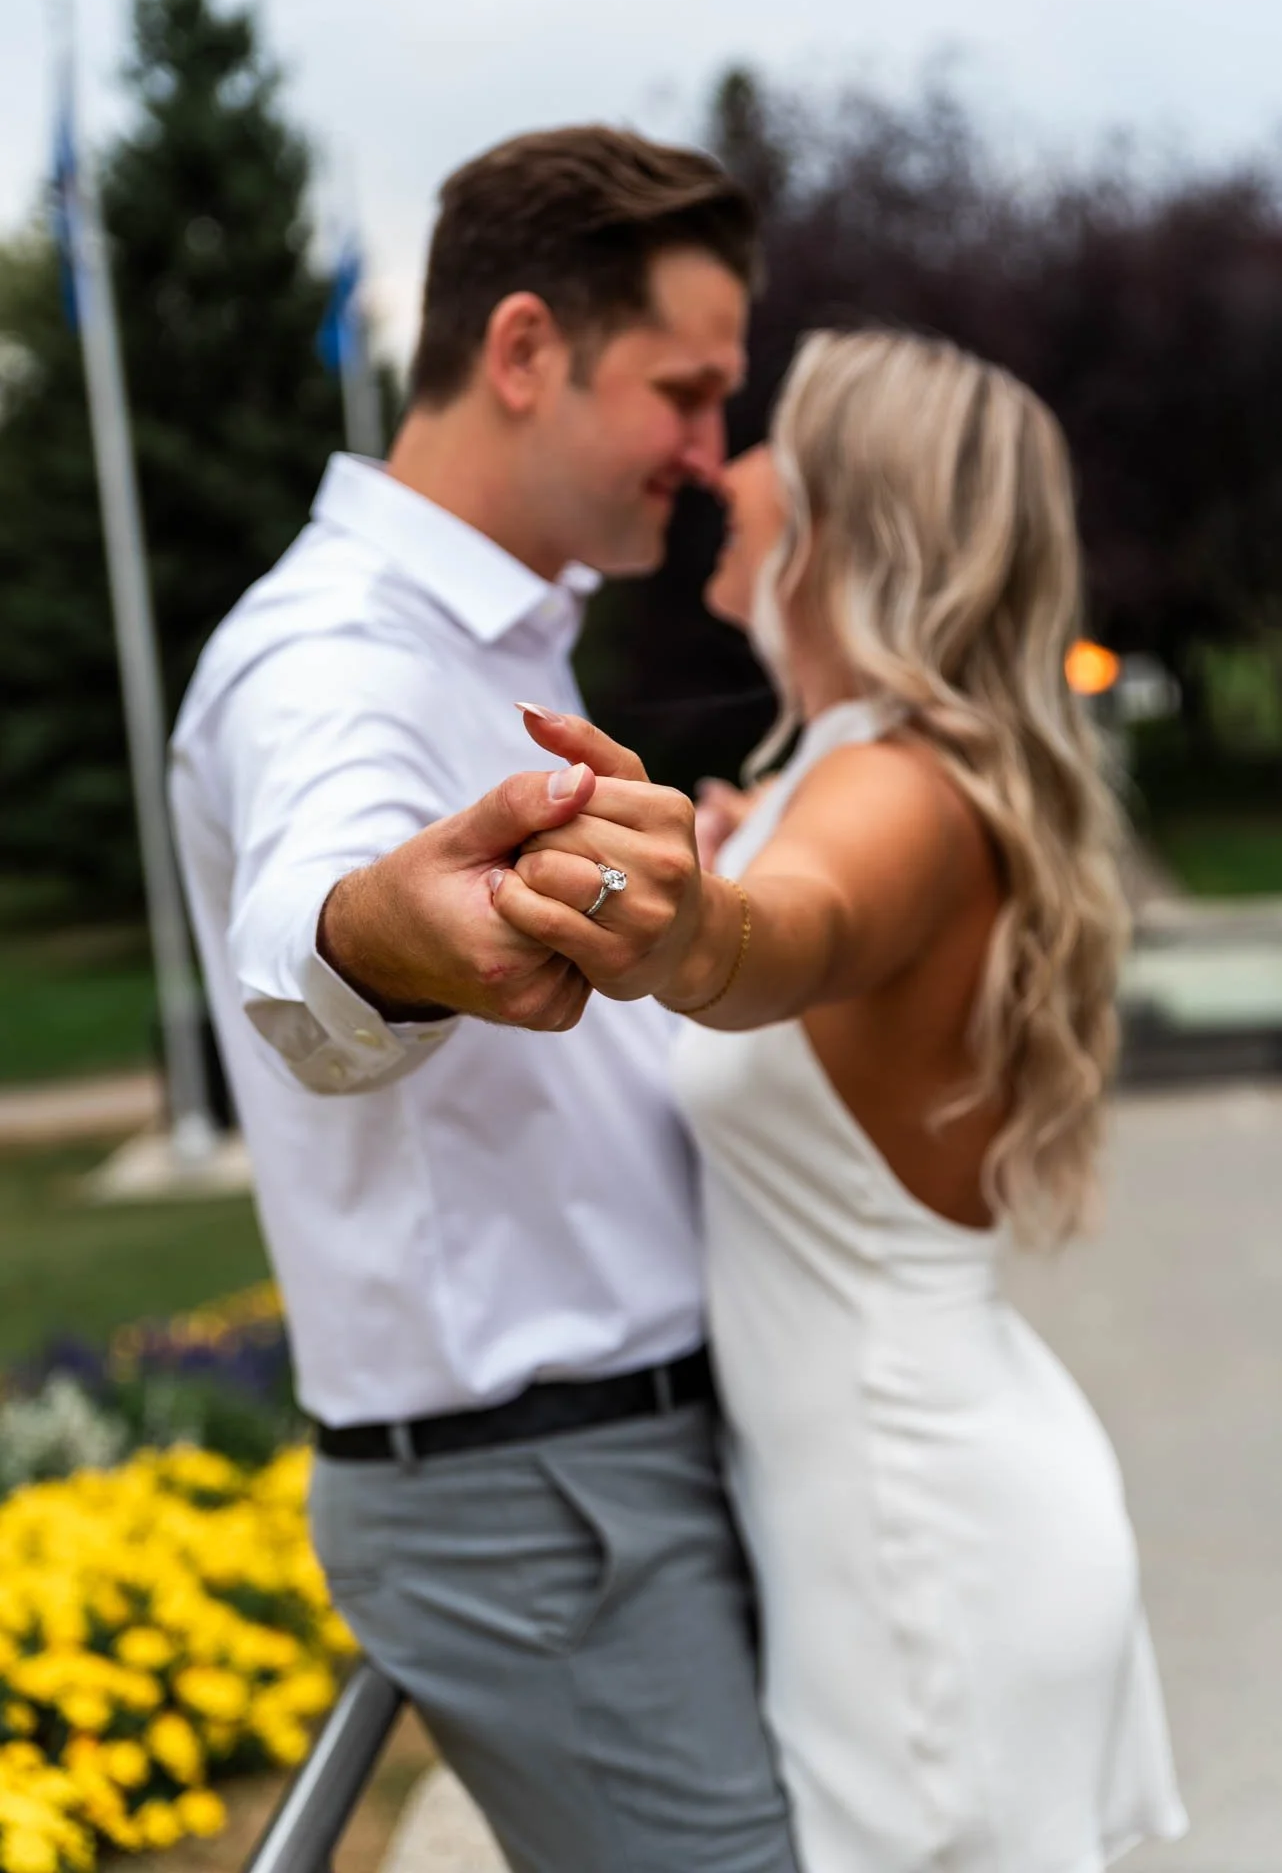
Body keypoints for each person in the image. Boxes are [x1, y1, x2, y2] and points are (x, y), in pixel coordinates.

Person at [169, 127, 803, 1873]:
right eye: (684, 390)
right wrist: (384, 933)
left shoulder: (496, 636)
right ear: (523, 351)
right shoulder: (335, 652)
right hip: (541, 1497)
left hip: (602, 1470)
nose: (712, 448)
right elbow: (318, 919)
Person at [493, 328, 1189, 1870]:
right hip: (894, 1512)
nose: (722, 468)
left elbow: (781, 940)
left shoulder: (893, 789)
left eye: (766, 440)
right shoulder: (848, 773)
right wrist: (731, 848)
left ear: (843, 513)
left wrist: (687, 918)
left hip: (915, 1541)